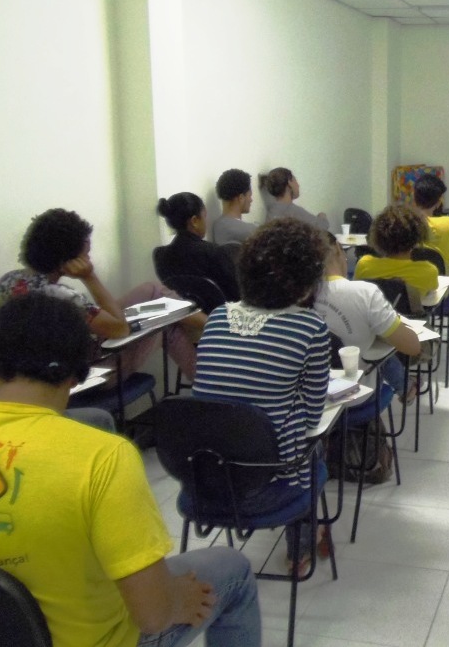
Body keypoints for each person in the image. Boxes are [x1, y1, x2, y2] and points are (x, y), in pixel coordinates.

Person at [0, 294, 261, 647]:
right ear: (75, 377)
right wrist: (179, 598)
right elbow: (154, 615)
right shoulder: (103, 458)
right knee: (233, 571)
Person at [192, 218, 330, 573]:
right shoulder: (311, 328)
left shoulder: (217, 317)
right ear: (308, 281)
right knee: (314, 449)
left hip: (204, 482)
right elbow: (313, 417)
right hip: (268, 487)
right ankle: (300, 549)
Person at [0, 208, 203, 381]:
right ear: (67, 258)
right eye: (86, 254)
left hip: (37, 371)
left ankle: (208, 328)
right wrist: (90, 277)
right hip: (86, 376)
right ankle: (206, 377)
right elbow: (120, 329)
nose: (89, 259)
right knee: (167, 323)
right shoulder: (64, 298)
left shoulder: (10, 281)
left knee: (151, 290)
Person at [315, 232, 421, 403]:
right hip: (355, 395)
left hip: (311, 401)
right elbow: (413, 347)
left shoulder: (294, 296)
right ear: (339, 249)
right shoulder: (364, 293)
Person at [155, 191, 240, 301]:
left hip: (183, 312)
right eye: (204, 216)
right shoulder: (214, 252)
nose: (206, 222)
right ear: (194, 221)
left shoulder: (160, 256)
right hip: (218, 311)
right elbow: (236, 294)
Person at [353, 205, 439, 311]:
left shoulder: (364, 265)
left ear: (378, 238)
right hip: (407, 321)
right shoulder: (428, 271)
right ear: (416, 238)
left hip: (372, 320)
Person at [412, 173, 449, 269]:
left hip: (410, 278)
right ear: (438, 203)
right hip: (439, 278)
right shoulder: (448, 223)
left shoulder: (404, 223)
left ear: (414, 200)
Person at [259, 167, 330, 232]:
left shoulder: (272, 211)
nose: (298, 185)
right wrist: (322, 216)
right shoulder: (293, 211)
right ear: (290, 183)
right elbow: (323, 226)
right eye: (295, 180)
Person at [211, 169, 256, 245]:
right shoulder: (249, 231)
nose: (251, 200)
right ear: (241, 198)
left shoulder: (218, 225)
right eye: (250, 195)